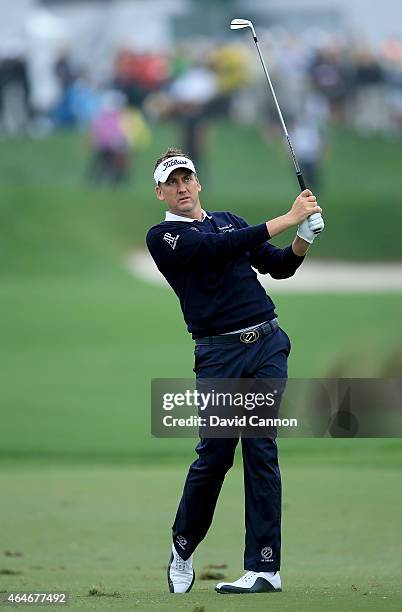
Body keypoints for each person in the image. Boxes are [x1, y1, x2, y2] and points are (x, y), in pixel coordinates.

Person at [146, 148, 324, 595]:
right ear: (161, 193)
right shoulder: (164, 237)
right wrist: (288, 216)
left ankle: (264, 567)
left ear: (199, 183)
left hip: (267, 345)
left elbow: (278, 266)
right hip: (220, 356)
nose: (182, 187)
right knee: (217, 457)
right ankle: (183, 547)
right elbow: (214, 249)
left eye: (188, 178)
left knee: (261, 450)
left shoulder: (229, 219)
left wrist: (303, 237)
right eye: (173, 182)